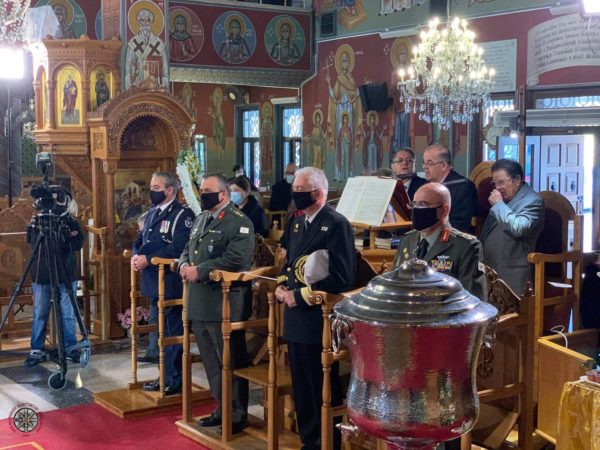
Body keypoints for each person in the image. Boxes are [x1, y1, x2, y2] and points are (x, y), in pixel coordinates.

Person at [276, 167, 356, 450]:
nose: (295, 195)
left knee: (321, 385)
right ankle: (309, 441)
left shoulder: (336, 223)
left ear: (319, 193)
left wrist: (301, 296)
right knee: (301, 386)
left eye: (301, 191)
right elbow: (289, 264)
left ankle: (327, 443)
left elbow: (343, 277)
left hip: (319, 317)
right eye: (294, 190)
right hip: (295, 316)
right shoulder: (296, 222)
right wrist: (281, 287)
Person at [179, 173, 254, 434]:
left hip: (224, 302)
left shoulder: (239, 222)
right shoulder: (202, 218)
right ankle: (221, 408)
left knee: (229, 361)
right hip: (200, 300)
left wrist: (200, 270)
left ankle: (236, 414)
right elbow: (188, 248)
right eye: (201, 190)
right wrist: (184, 264)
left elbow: (237, 259)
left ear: (223, 194)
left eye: (207, 191)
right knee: (211, 362)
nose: (203, 194)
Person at [131, 172, 194, 394]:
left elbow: (179, 247)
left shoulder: (182, 215)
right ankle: (163, 375)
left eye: (156, 187)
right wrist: (136, 256)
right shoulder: (152, 212)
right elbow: (141, 239)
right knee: (159, 332)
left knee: (171, 332)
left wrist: (148, 259)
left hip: (170, 281)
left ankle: (175, 379)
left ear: (169, 190)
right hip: (153, 282)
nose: (152, 191)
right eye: (151, 186)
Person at [392, 183, 486, 302]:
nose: (416, 210)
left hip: (445, 312)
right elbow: (394, 285)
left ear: (444, 210)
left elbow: (473, 299)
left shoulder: (466, 246)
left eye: (423, 204)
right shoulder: (407, 240)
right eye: (414, 204)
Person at [24, 196, 84, 367]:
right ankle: (37, 349)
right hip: (42, 273)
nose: (55, 204)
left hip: (66, 273)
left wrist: (65, 238)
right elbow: (35, 243)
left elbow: (78, 243)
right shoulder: (38, 220)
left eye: (58, 200)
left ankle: (71, 348)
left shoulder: (70, 220)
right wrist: (65, 238)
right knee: (40, 313)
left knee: (68, 313)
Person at [480, 159, 545, 296]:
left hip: (512, 272)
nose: (497, 188)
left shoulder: (533, 201)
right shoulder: (505, 199)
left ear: (517, 180)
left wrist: (498, 205)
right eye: (495, 183)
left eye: (501, 182)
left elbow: (518, 228)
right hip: (490, 269)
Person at [422, 144, 477, 233]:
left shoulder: (464, 187)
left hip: (450, 238)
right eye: (424, 162)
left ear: (443, 165)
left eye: (430, 163)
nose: (424, 167)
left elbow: (459, 225)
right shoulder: (426, 186)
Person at [125, 8, 168, 89]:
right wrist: (132, 78)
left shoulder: (160, 45)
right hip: (137, 90)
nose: (145, 23)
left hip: (154, 90)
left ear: (151, 22)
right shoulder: (132, 45)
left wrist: (156, 82)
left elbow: (165, 75)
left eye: (148, 20)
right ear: (138, 22)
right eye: (142, 20)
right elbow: (127, 72)